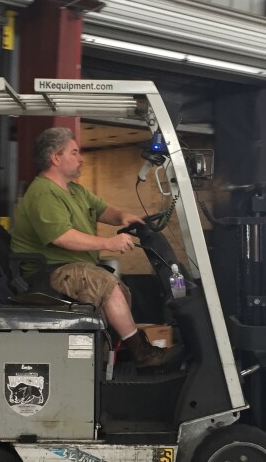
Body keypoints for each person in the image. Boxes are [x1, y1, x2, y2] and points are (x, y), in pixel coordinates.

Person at [11, 127, 182, 370]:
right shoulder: (43, 192)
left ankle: (108, 357)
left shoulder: (75, 190)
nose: (80, 158)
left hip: (72, 268)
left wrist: (124, 217)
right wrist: (109, 243)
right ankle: (142, 354)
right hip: (48, 272)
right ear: (55, 158)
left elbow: (105, 211)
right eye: (74, 152)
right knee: (106, 284)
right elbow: (62, 237)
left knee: (118, 289)